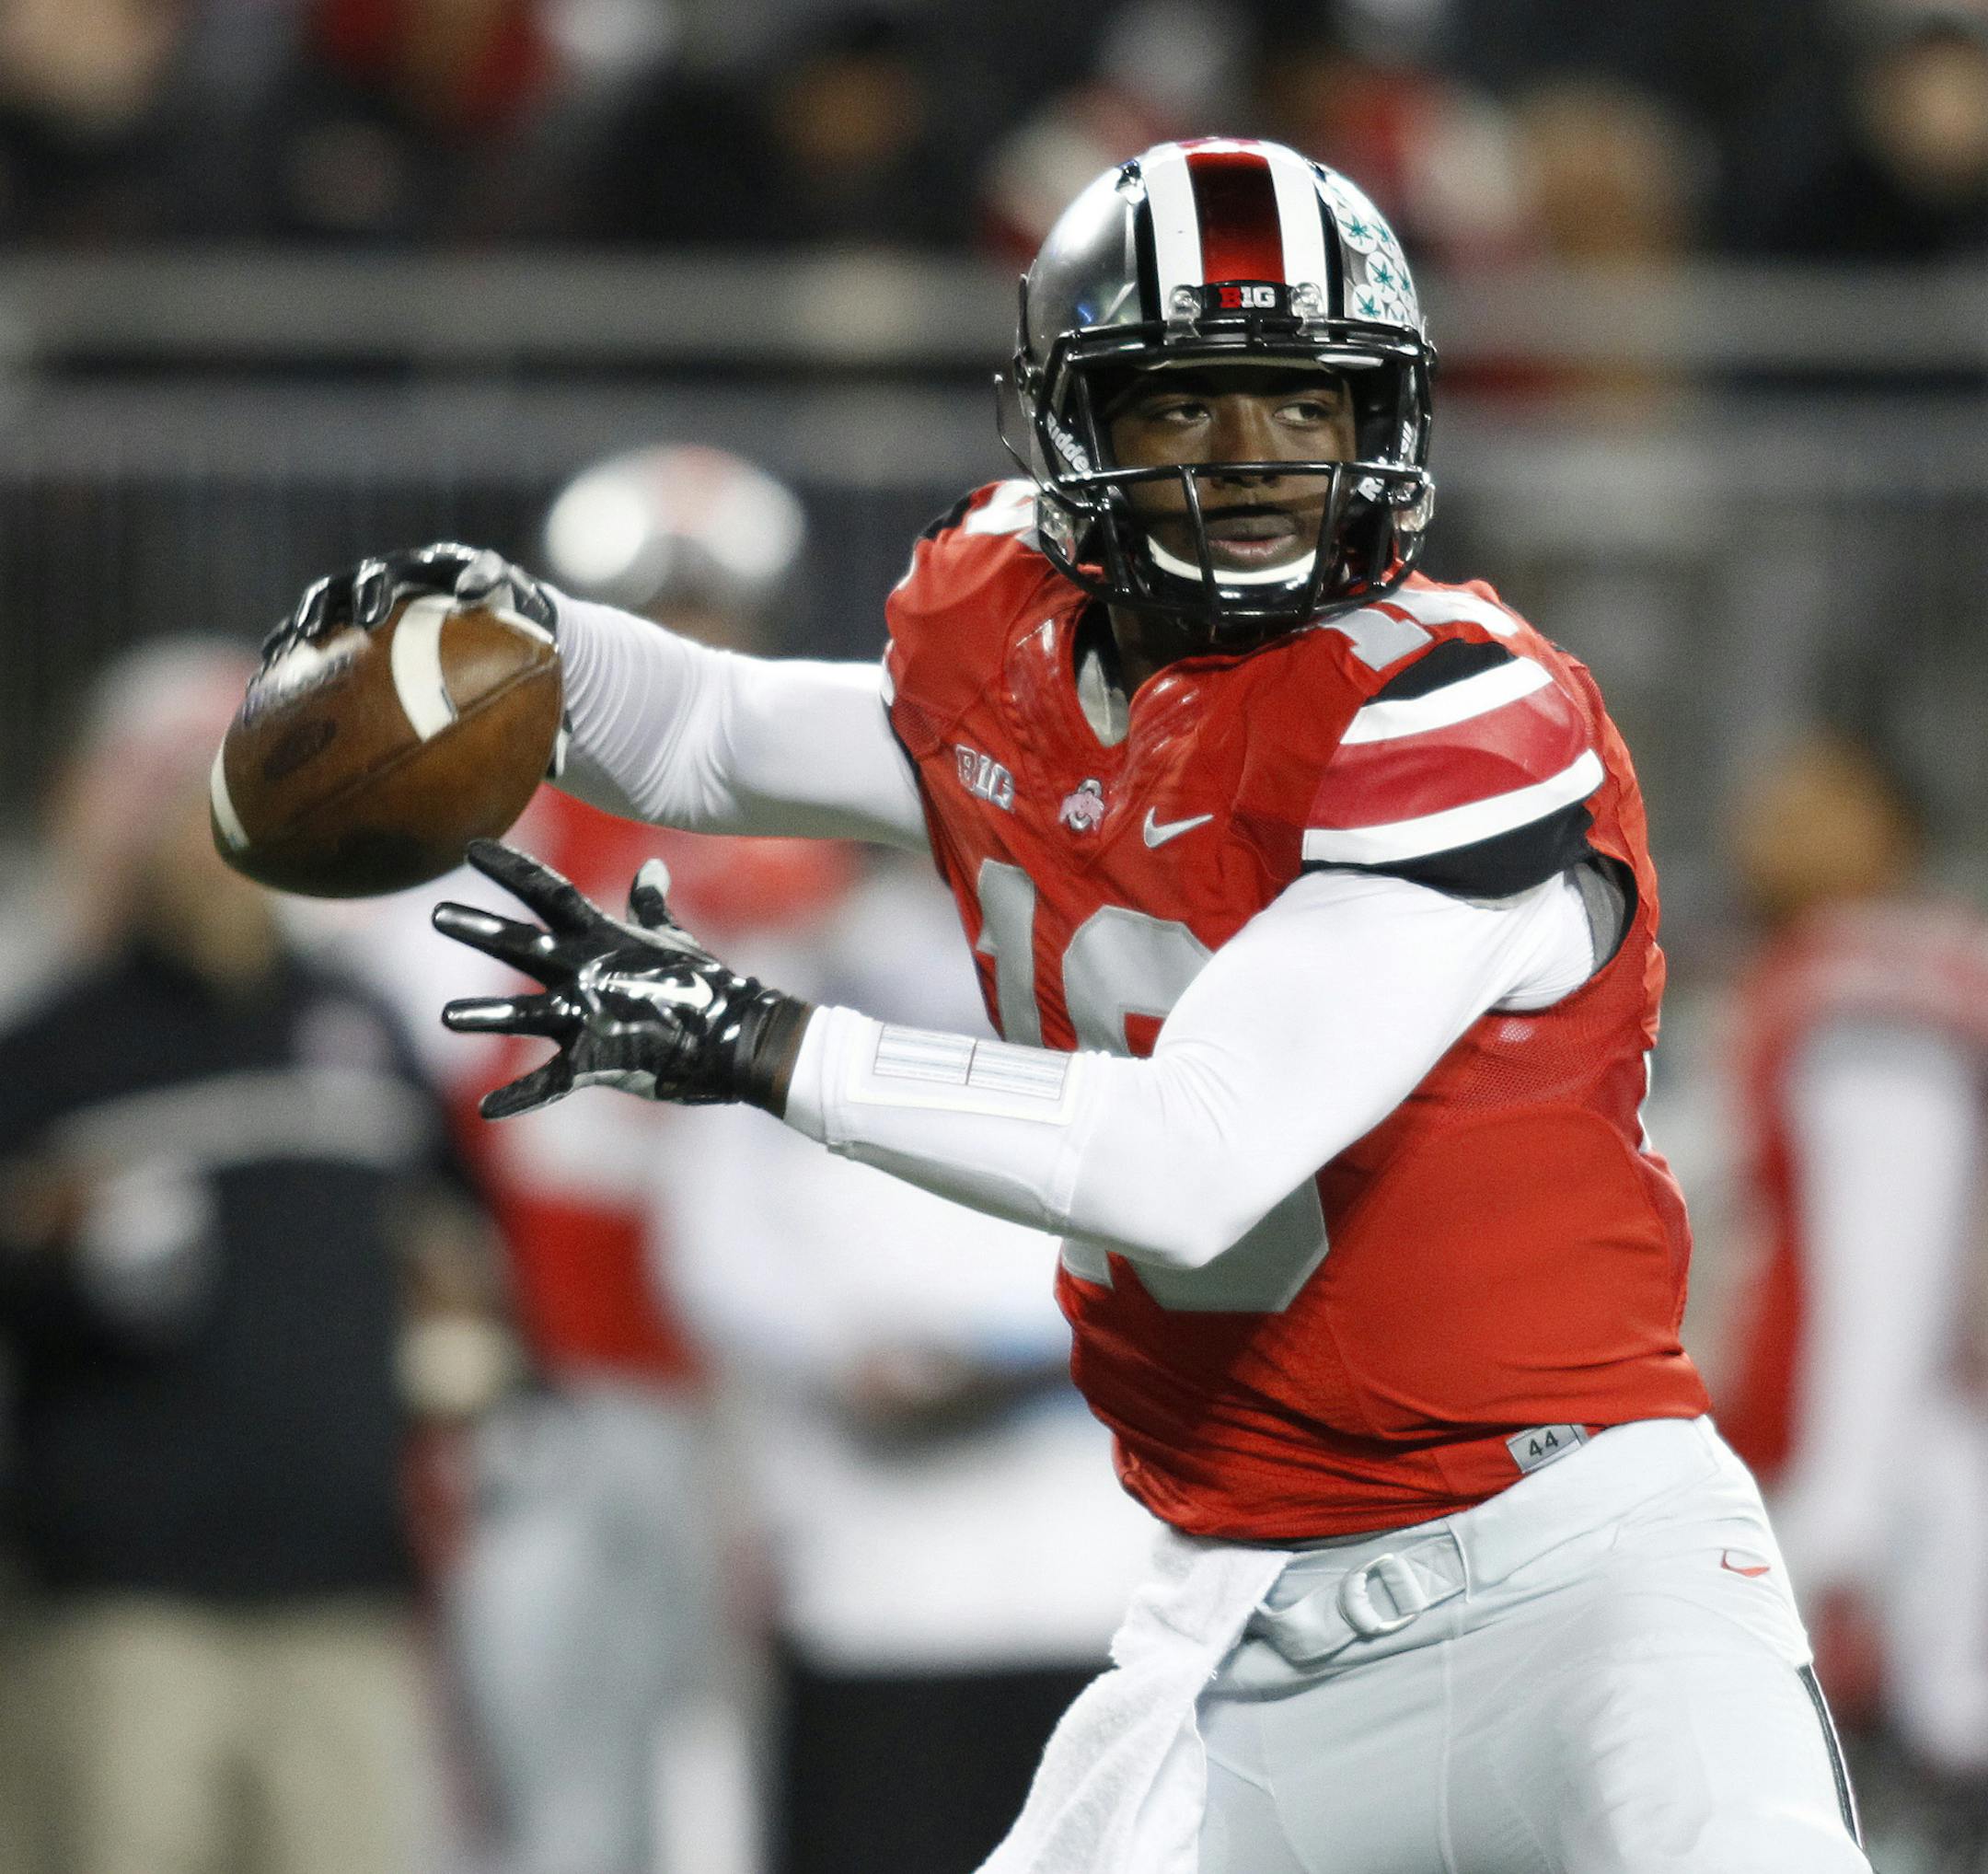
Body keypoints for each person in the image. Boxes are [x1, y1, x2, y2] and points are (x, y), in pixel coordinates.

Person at [264, 139, 1870, 1871]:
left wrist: (761, 1041)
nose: (1254, 459)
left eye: (1307, 403)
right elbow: (716, 735)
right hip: (1246, 1618)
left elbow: (1192, 1160)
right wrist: (517, 647)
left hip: (1587, 1593)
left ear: (1383, 420)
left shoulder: (1455, 713)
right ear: (1073, 426)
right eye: (1183, 402)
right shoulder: (1018, 652)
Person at [0, 641, 500, 1874]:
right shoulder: (55, 1050)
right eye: (189, 803)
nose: (216, 841)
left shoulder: (362, 1026)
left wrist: (469, 1342)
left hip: (345, 1591)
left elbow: (457, 1243)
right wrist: (63, 1261)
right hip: (126, 1605)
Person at [1717, 726, 1988, 1865]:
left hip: (1895, 1468)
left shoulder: (1874, 982)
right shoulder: (1822, 965)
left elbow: (1886, 1271)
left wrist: (1844, 1507)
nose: (1771, 828)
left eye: (1815, 803)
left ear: (1890, 826)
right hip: (1886, 1455)